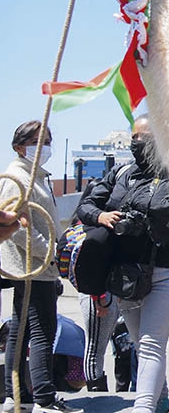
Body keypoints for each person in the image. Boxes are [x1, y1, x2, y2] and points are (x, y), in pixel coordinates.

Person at [77, 115, 169, 413]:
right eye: (135, 138)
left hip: (168, 271)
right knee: (140, 342)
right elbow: (86, 206)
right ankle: (159, 398)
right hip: (126, 275)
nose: (140, 143)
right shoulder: (121, 173)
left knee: (151, 343)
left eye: (147, 138)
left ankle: (143, 407)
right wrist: (101, 216)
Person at [0, 121, 82, 413]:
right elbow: (16, 227)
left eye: (47, 141)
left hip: (38, 267)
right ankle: (44, 399)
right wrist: (48, 252)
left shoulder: (36, 177)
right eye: (37, 141)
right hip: (32, 268)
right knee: (42, 332)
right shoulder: (17, 178)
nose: (44, 147)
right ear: (19, 147)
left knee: (20, 330)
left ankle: (17, 397)